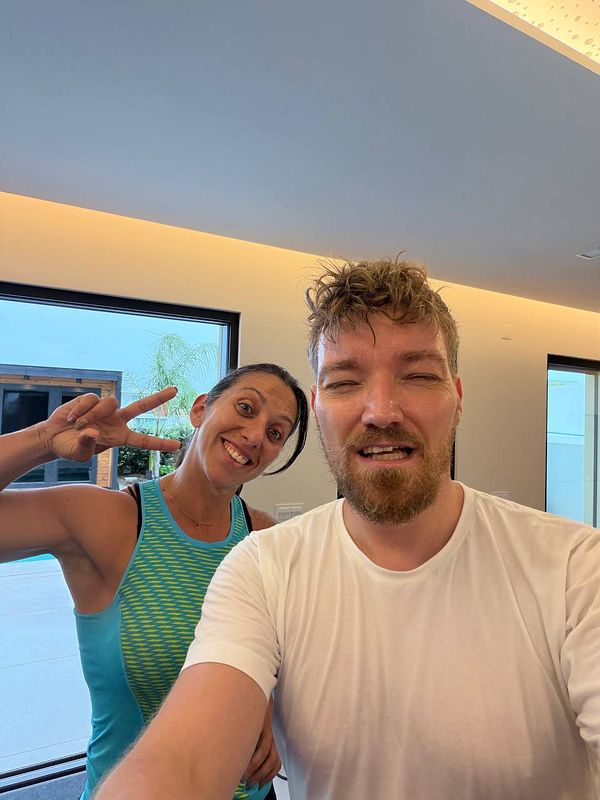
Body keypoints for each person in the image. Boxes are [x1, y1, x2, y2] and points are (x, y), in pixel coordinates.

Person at [96, 260, 600, 800]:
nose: (381, 411)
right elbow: (181, 762)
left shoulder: (575, 569)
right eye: (344, 382)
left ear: (457, 398)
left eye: (418, 376)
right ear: (318, 406)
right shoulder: (263, 568)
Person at [0, 362, 309, 800]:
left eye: (276, 432)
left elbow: (287, 659)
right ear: (200, 410)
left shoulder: (267, 537)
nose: (256, 435)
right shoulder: (110, 520)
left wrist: (271, 704)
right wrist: (43, 440)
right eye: (246, 408)